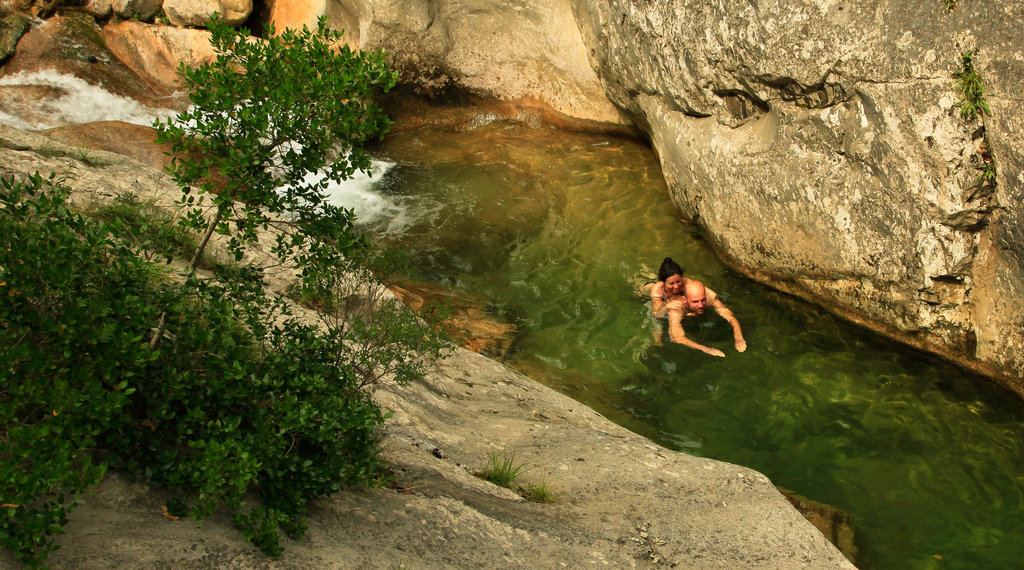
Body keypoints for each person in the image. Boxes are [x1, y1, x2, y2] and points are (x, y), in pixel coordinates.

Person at [649, 258, 746, 357]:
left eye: (678, 281)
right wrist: (667, 306)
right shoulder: (659, 291)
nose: (676, 286)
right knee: (658, 333)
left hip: (683, 304)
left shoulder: (689, 286)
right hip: (660, 300)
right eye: (671, 283)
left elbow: (730, 316)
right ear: (664, 283)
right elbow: (658, 315)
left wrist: (738, 337)